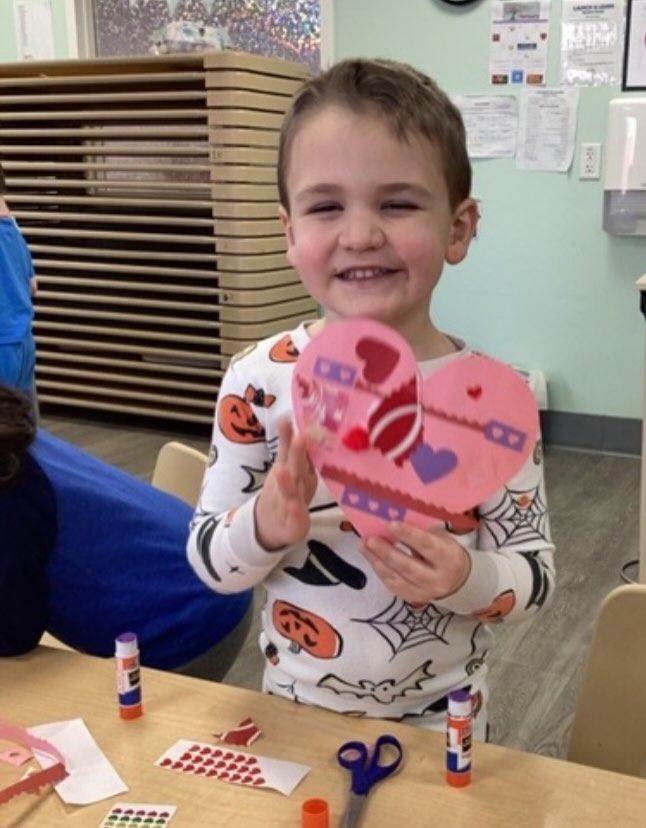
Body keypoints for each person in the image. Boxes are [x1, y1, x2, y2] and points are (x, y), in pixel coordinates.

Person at [187, 58, 555, 736]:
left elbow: (534, 576)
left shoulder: (495, 403)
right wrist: (265, 524)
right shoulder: (259, 380)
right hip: (291, 713)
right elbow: (210, 562)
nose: (360, 234)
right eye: (326, 206)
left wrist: (465, 578)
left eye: (398, 203)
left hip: (447, 723)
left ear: (459, 229)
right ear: (290, 232)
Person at [0, 384, 253, 680]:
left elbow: (15, 630)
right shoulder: (10, 437)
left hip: (187, 618)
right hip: (195, 569)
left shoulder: (11, 487)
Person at [0, 164, 37, 399]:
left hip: (2, 344)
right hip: (22, 341)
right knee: (18, 425)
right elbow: (33, 285)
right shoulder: (13, 229)